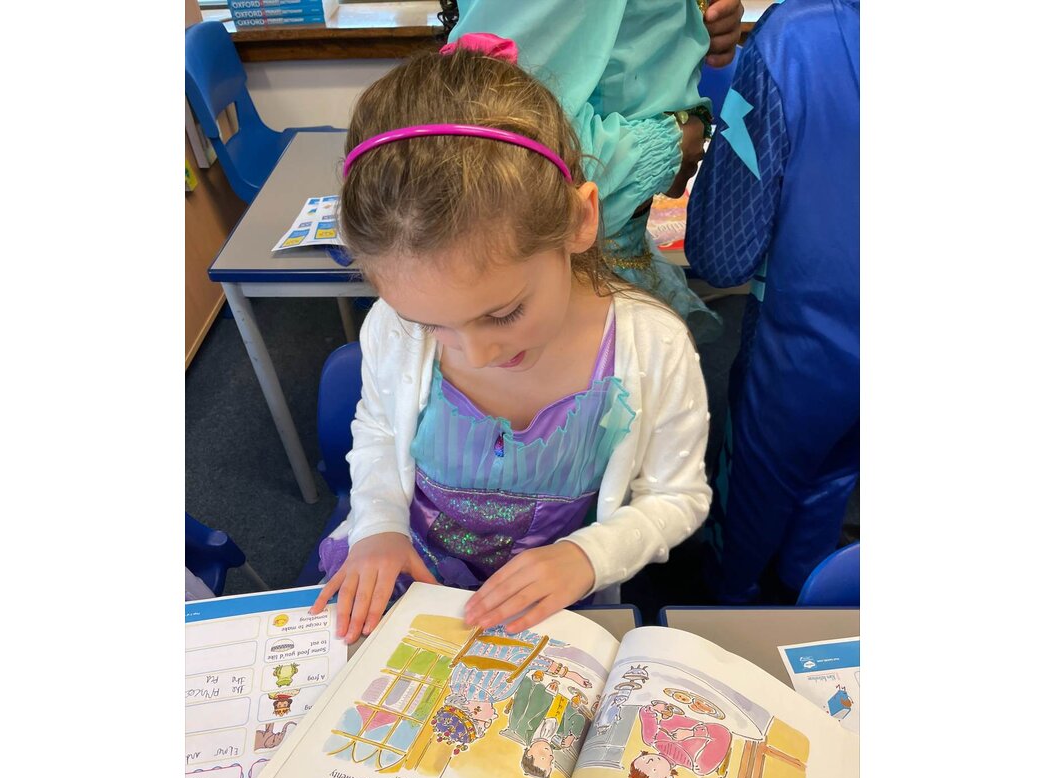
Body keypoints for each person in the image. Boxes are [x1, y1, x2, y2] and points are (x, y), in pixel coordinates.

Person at [307, 40, 712, 643]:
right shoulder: (392, 327)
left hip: (553, 600)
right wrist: (379, 525)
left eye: (502, 314)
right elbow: (380, 431)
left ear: (579, 220)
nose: (475, 354)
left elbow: (677, 495)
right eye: (431, 324)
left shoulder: (652, 347)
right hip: (415, 568)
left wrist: (588, 557)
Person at [686, 0, 860, 603]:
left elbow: (720, 253)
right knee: (829, 498)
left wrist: (724, 74)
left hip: (802, 356)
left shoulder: (796, 39)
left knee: (743, 532)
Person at [445, 1, 748, 343]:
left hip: (610, 249)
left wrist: (689, 18)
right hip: (569, 277)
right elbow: (496, 152)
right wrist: (670, 145)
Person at [627, 699, 733, 778]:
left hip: (686, 702)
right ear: (668, 777)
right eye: (654, 770)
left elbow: (645, 711)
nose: (650, 762)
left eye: (644, 760)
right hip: (714, 713)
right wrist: (692, 733)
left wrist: (655, 708)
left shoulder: (651, 739)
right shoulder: (699, 765)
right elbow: (723, 734)